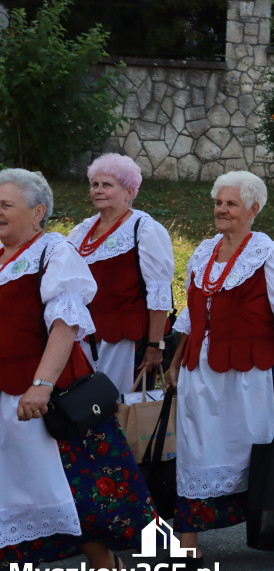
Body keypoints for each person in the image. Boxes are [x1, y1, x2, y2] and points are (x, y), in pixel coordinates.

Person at [167, 171, 274, 562]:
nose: (222, 210)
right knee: (196, 451)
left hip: (250, 374)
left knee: (260, 453)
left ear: (253, 209)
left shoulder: (268, 254)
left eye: (231, 203)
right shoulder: (203, 251)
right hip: (201, 372)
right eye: (218, 203)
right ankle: (188, 541)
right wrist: (176, 361)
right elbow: (192, 316)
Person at [0, 168, 156, 571]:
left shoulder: (54, 252)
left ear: (37, 214)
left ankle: (105, 566)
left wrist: (41, 385)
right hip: (4, 396)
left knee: (73, 492)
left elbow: (66, 326)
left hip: (44, 396)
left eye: (5, 205)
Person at [67, 154, 175, 394]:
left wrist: (155, 344)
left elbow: (159, 292)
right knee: (85, 407)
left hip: (126, 340)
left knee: (120, 406)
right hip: (85, 337)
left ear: (129, 191)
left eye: (107, 185)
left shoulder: (144, 230)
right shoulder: (81, 231)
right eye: (94, 185)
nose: (98, 190)